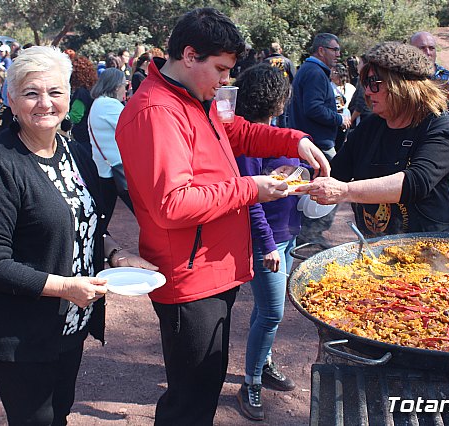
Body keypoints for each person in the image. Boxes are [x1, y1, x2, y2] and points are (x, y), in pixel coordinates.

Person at [115, 8, 328, 425]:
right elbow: (172, 204)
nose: (224, 81)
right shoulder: (156, 111)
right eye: (220, 69)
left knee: (204, 385)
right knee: (191, 398)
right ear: (189, 55)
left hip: (213, 268)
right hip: (189, 277)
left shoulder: (195, 97)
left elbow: (237, 133)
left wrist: (294, 139)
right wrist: (253, 188)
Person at [0, 46, 157, 425]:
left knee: (60, 413)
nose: (45, 103)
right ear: (12, 101)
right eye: (32, 93)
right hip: (19, 333)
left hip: (68, 324)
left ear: (70, 95)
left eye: (55, 92)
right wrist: (65, 287)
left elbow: (84, 223)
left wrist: (116, 255)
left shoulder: (73, 151)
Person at [304, 42, 449, 236]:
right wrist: (299, 176)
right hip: (378, 247)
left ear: (403, 85)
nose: (366, 91)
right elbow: (336, 171)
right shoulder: (371, 126)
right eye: (365, 83)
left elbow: (416, 181)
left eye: (374, 83)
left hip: (432, 248)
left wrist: (346, 191)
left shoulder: (441, 125)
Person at [233, 63, 299, 421]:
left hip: (287, 233)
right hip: (267, 239)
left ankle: (264, 363)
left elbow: (284, 178)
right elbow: (250, 200)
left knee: (265, 309)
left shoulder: (275, 130)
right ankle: (250, 383)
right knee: (272, 312)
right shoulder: (247, 140)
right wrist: (269, 245)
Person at [288, 33, 349, 247]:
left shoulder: (310, 70)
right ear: (321, 50)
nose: (338, 54)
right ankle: (311, 234)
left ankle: (308, 232)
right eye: (334, 50)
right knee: (333, 186)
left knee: (313, 187)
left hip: (312, 142)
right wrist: (339, 119)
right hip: (318, 144)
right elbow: (313, 108)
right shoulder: (314, 72)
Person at [88, 67, 134, 230]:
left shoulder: (99, 103)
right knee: (144, 215)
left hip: (107, 168)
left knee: (102, 216)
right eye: (124, 84)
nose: (125, 88)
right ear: (115, 86)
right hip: (115, 168)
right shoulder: (109, 105)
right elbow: (133, 130)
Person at [410, 31, 449, 136]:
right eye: (422, 48)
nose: (427, 52)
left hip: (440, 142)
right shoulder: (401, 78)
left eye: (431, 48)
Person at [69, 55, 97, 151]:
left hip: (81, 138)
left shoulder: (80, 92)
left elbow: (76, 117)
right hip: (91, 135)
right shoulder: (92, 90)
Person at [263, 42, 295, 128]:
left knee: (270, 114)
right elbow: (293, 77)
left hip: (269, 90)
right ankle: (282, 133)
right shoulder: (287, 61)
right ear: (280, 50)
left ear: (270, 51)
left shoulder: (266, 61)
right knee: (283, 115)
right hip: (284, 90)